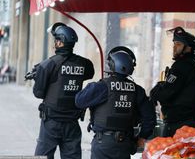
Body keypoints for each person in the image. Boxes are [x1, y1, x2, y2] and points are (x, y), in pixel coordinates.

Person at [75, 46, 156, 159]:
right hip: (125, 144)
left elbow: (79, 101)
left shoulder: (103, 87)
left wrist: (94, 85)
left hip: (103, 144)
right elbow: (150, 118)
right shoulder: (137, 90)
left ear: (113, 65)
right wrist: (142, 137)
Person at [33, 22, 95, 159]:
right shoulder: (85, 64)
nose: (54, 43)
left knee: (42, 156)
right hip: (72, 122)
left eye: (56, 40)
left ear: (60, 43)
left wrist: (40, 77)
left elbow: (38, 93)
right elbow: (89, 74)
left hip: (51, 123)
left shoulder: (48, 65)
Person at [150, 26, 195, 137]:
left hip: (178, 125)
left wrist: (155, 92)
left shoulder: (182, 66)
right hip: (190, 122)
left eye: (178, 44)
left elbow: (166, 93)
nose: (174, 47)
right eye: (174, 44)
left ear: (188, 47)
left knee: (169, 153)